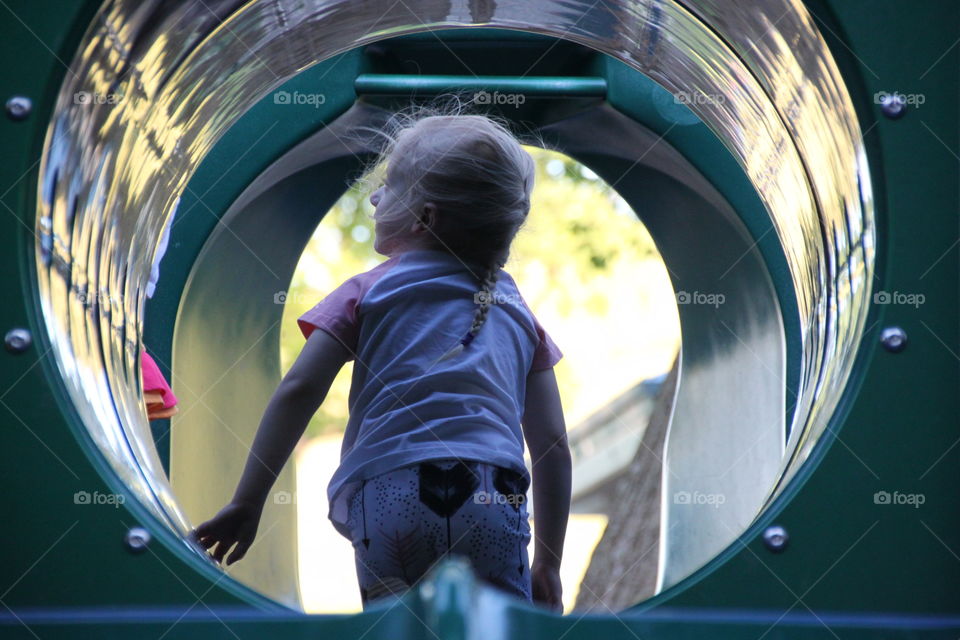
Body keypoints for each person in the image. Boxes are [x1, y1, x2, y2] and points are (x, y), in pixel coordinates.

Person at [190, 101, 571, 613]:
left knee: (396, 626)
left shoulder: (367, 291)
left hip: (391, 492)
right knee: (494, 627)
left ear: (423, 218)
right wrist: (549, 560)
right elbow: (551, 445)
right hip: (493, 496)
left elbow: (300, 389)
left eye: (389, 187)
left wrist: (248, 501)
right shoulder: (520, 313)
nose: (374, 198)